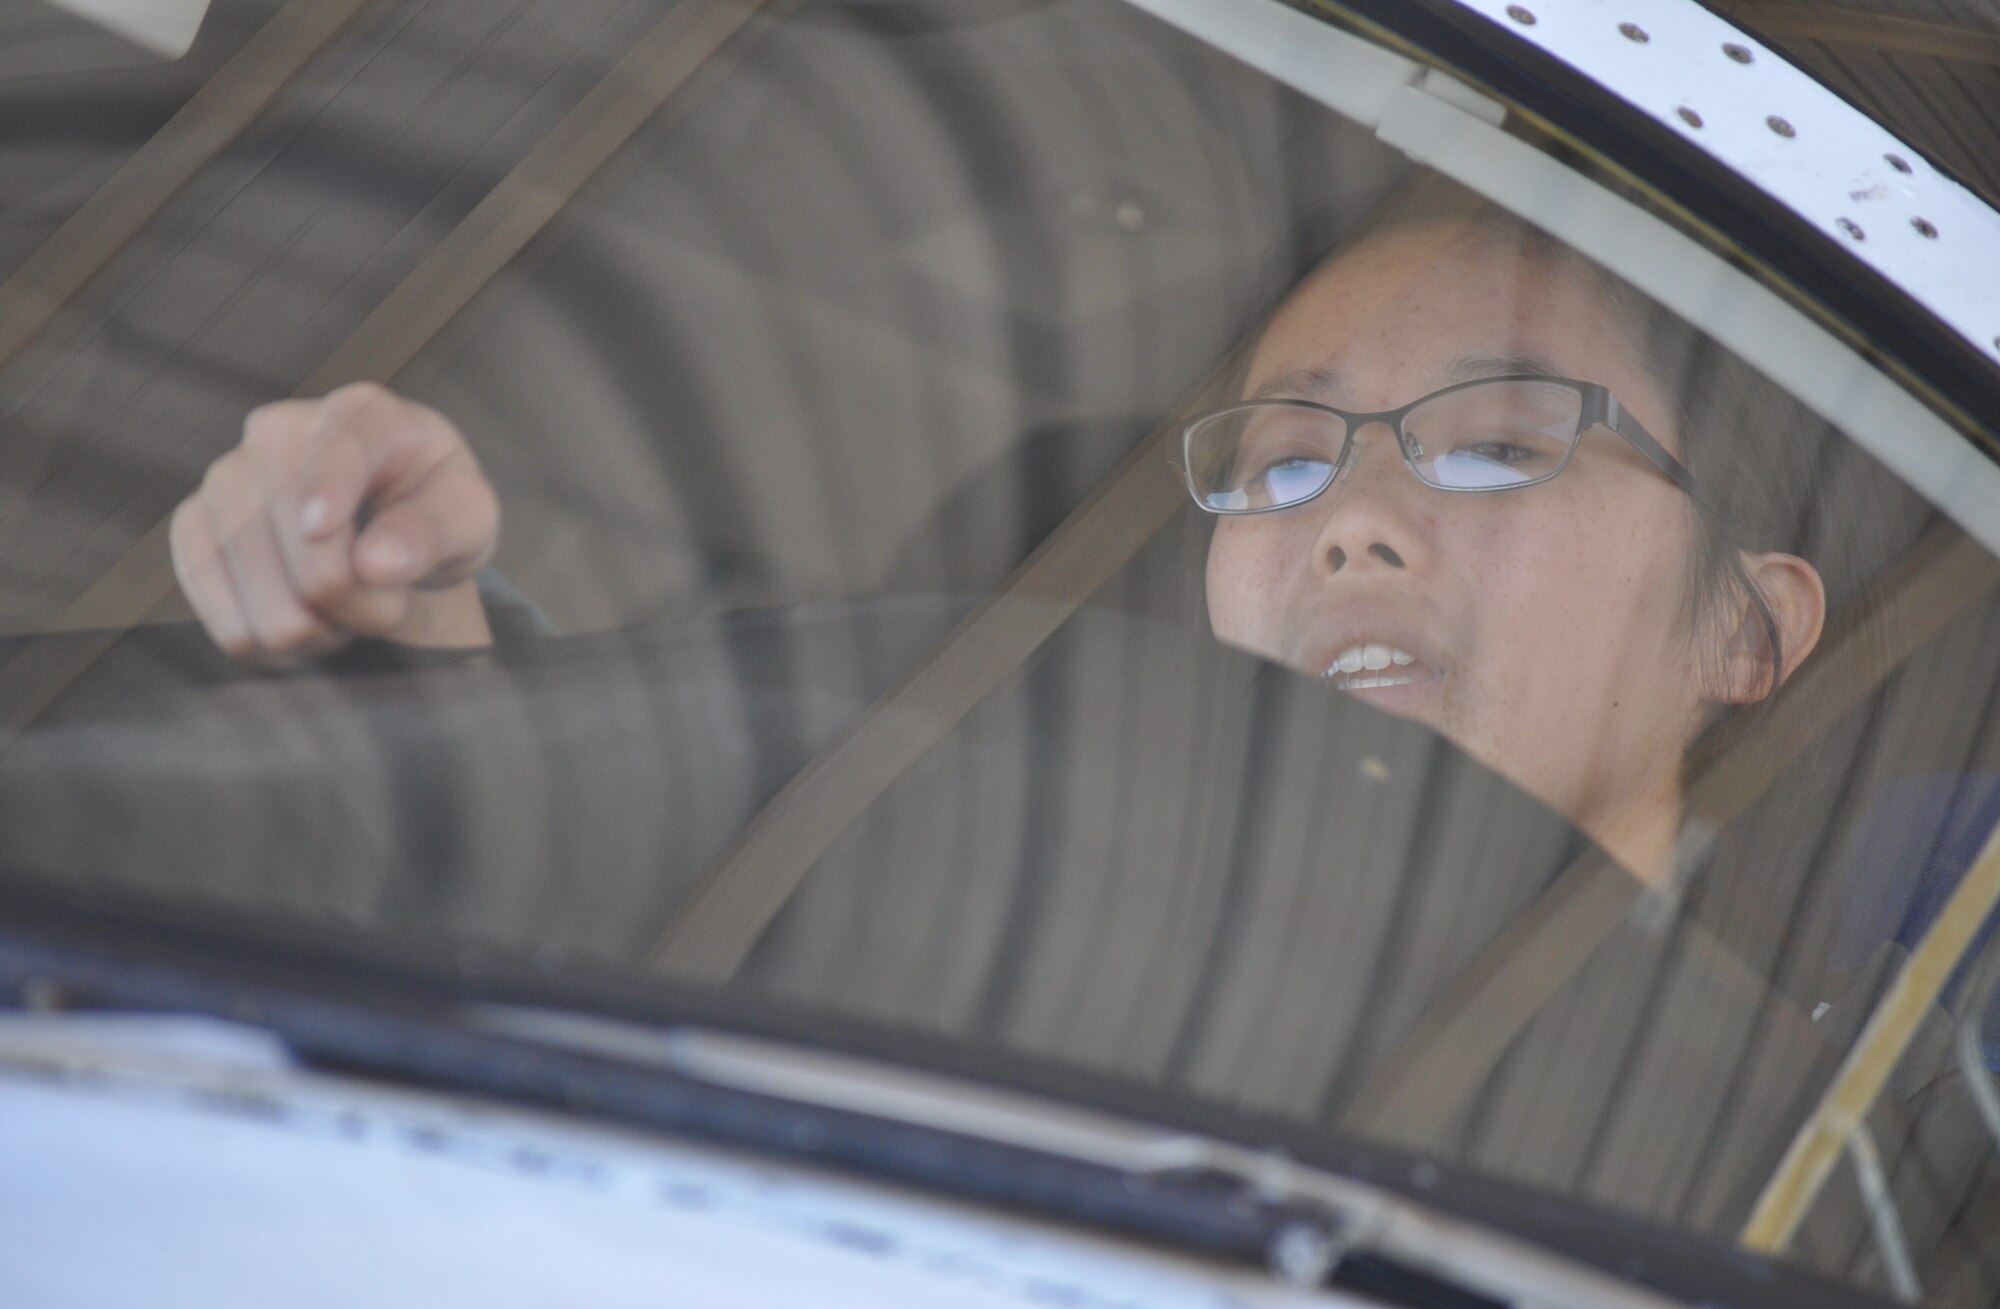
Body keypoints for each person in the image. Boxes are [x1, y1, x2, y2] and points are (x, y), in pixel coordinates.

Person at [167, 177, 1828, 883]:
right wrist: (419, 637)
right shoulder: (986, 927)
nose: (1355, 524)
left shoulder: (1828, 1160)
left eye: (1498, 447)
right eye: (1279, 462)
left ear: (1746, 630)